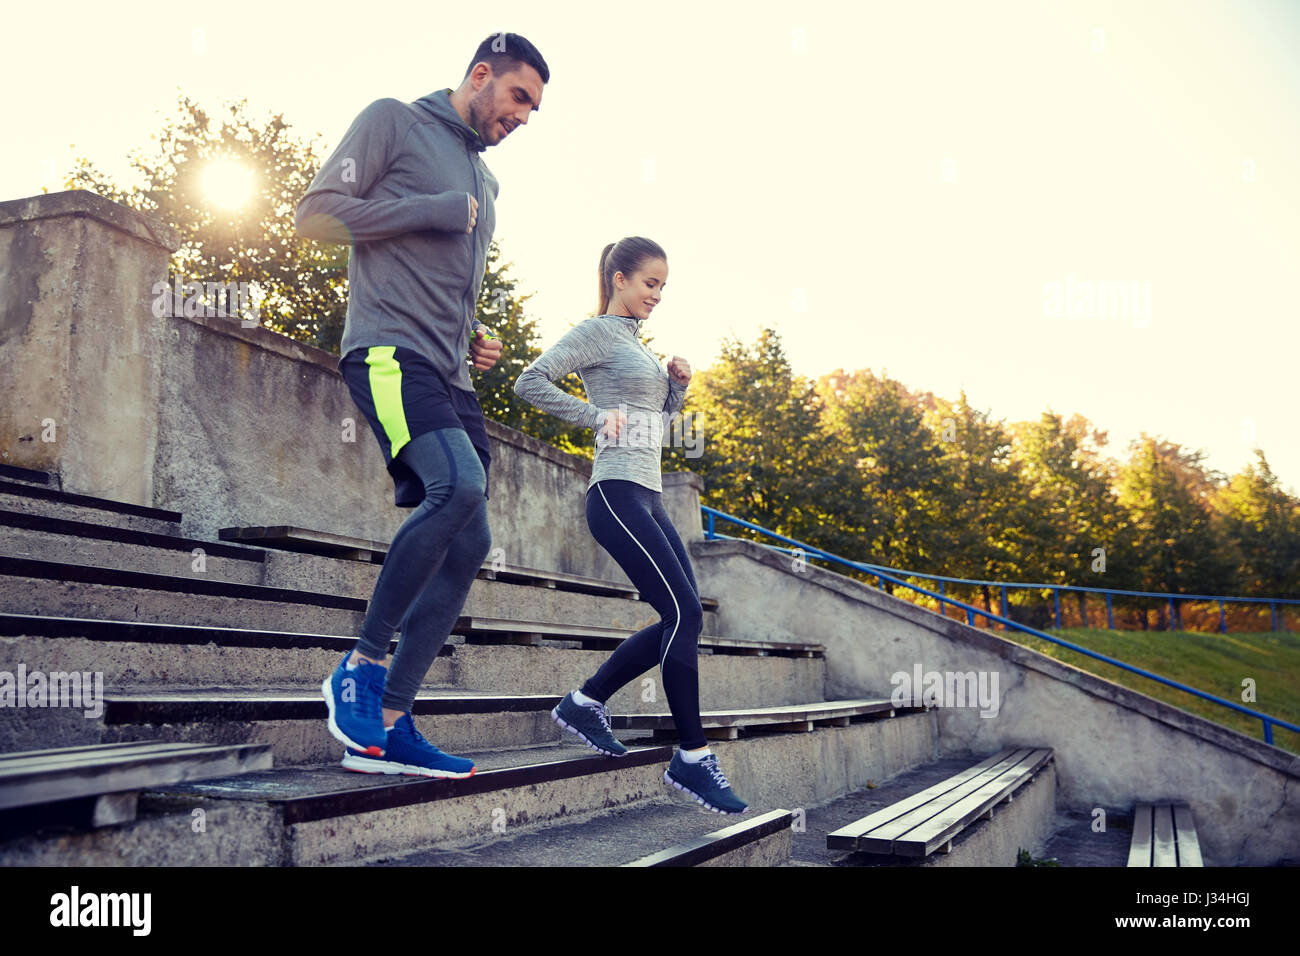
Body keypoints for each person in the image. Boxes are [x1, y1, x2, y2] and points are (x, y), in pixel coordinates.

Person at [294, 33, 549, 778]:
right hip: (384, 350)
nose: (525, 117)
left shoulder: (486, 183)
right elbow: (315, 215)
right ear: (479, 75)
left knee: (469, 544)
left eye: (534, 107)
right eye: (518, 97)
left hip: (450, 375)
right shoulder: (392, 122)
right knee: (457, 486)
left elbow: (441, 278)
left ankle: (392, 723)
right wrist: (427, 208)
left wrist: (477, 337)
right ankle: (359, 668)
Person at [512, 237, 748, 814]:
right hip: (614, 493)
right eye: (650, 283)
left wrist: (677, 388)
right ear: (619, 279)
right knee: (685, 614)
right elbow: (529, 381)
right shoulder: (596, 332)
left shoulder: (638, 346)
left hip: (648, 492)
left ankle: (585, 702)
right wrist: (594, 417)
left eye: (663, 286)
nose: (658, 295)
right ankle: (691, 757)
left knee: (682, 615)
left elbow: (653, 427)